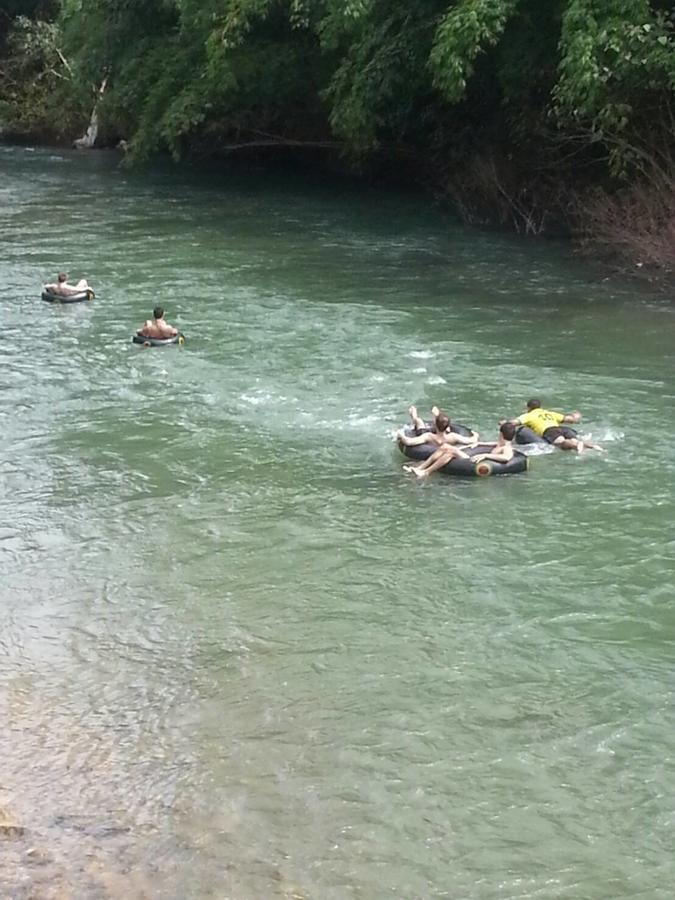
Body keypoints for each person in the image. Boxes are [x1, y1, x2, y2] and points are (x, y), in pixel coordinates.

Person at [506, 398, 603, 453]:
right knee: (574, 440)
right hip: (561, 429)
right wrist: (576, 416)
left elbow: (514, 423)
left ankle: (577, 444)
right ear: (540, 407)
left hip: (550, 431)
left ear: (528, 408)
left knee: (561, 444)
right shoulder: (549, 413)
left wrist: (504, 422)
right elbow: (570, 420)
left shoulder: (529, 415)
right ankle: (593, 446)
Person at [407, 404, 480, 443]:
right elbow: (471, 440)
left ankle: (414, 415)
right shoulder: (453, 436)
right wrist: (475, 435)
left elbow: (409, 442)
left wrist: (401, 435)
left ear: (434, 424)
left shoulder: (428, 436)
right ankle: (437, 414)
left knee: (418, 421)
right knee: (444, 424)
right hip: (445, 437)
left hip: (432, 437)